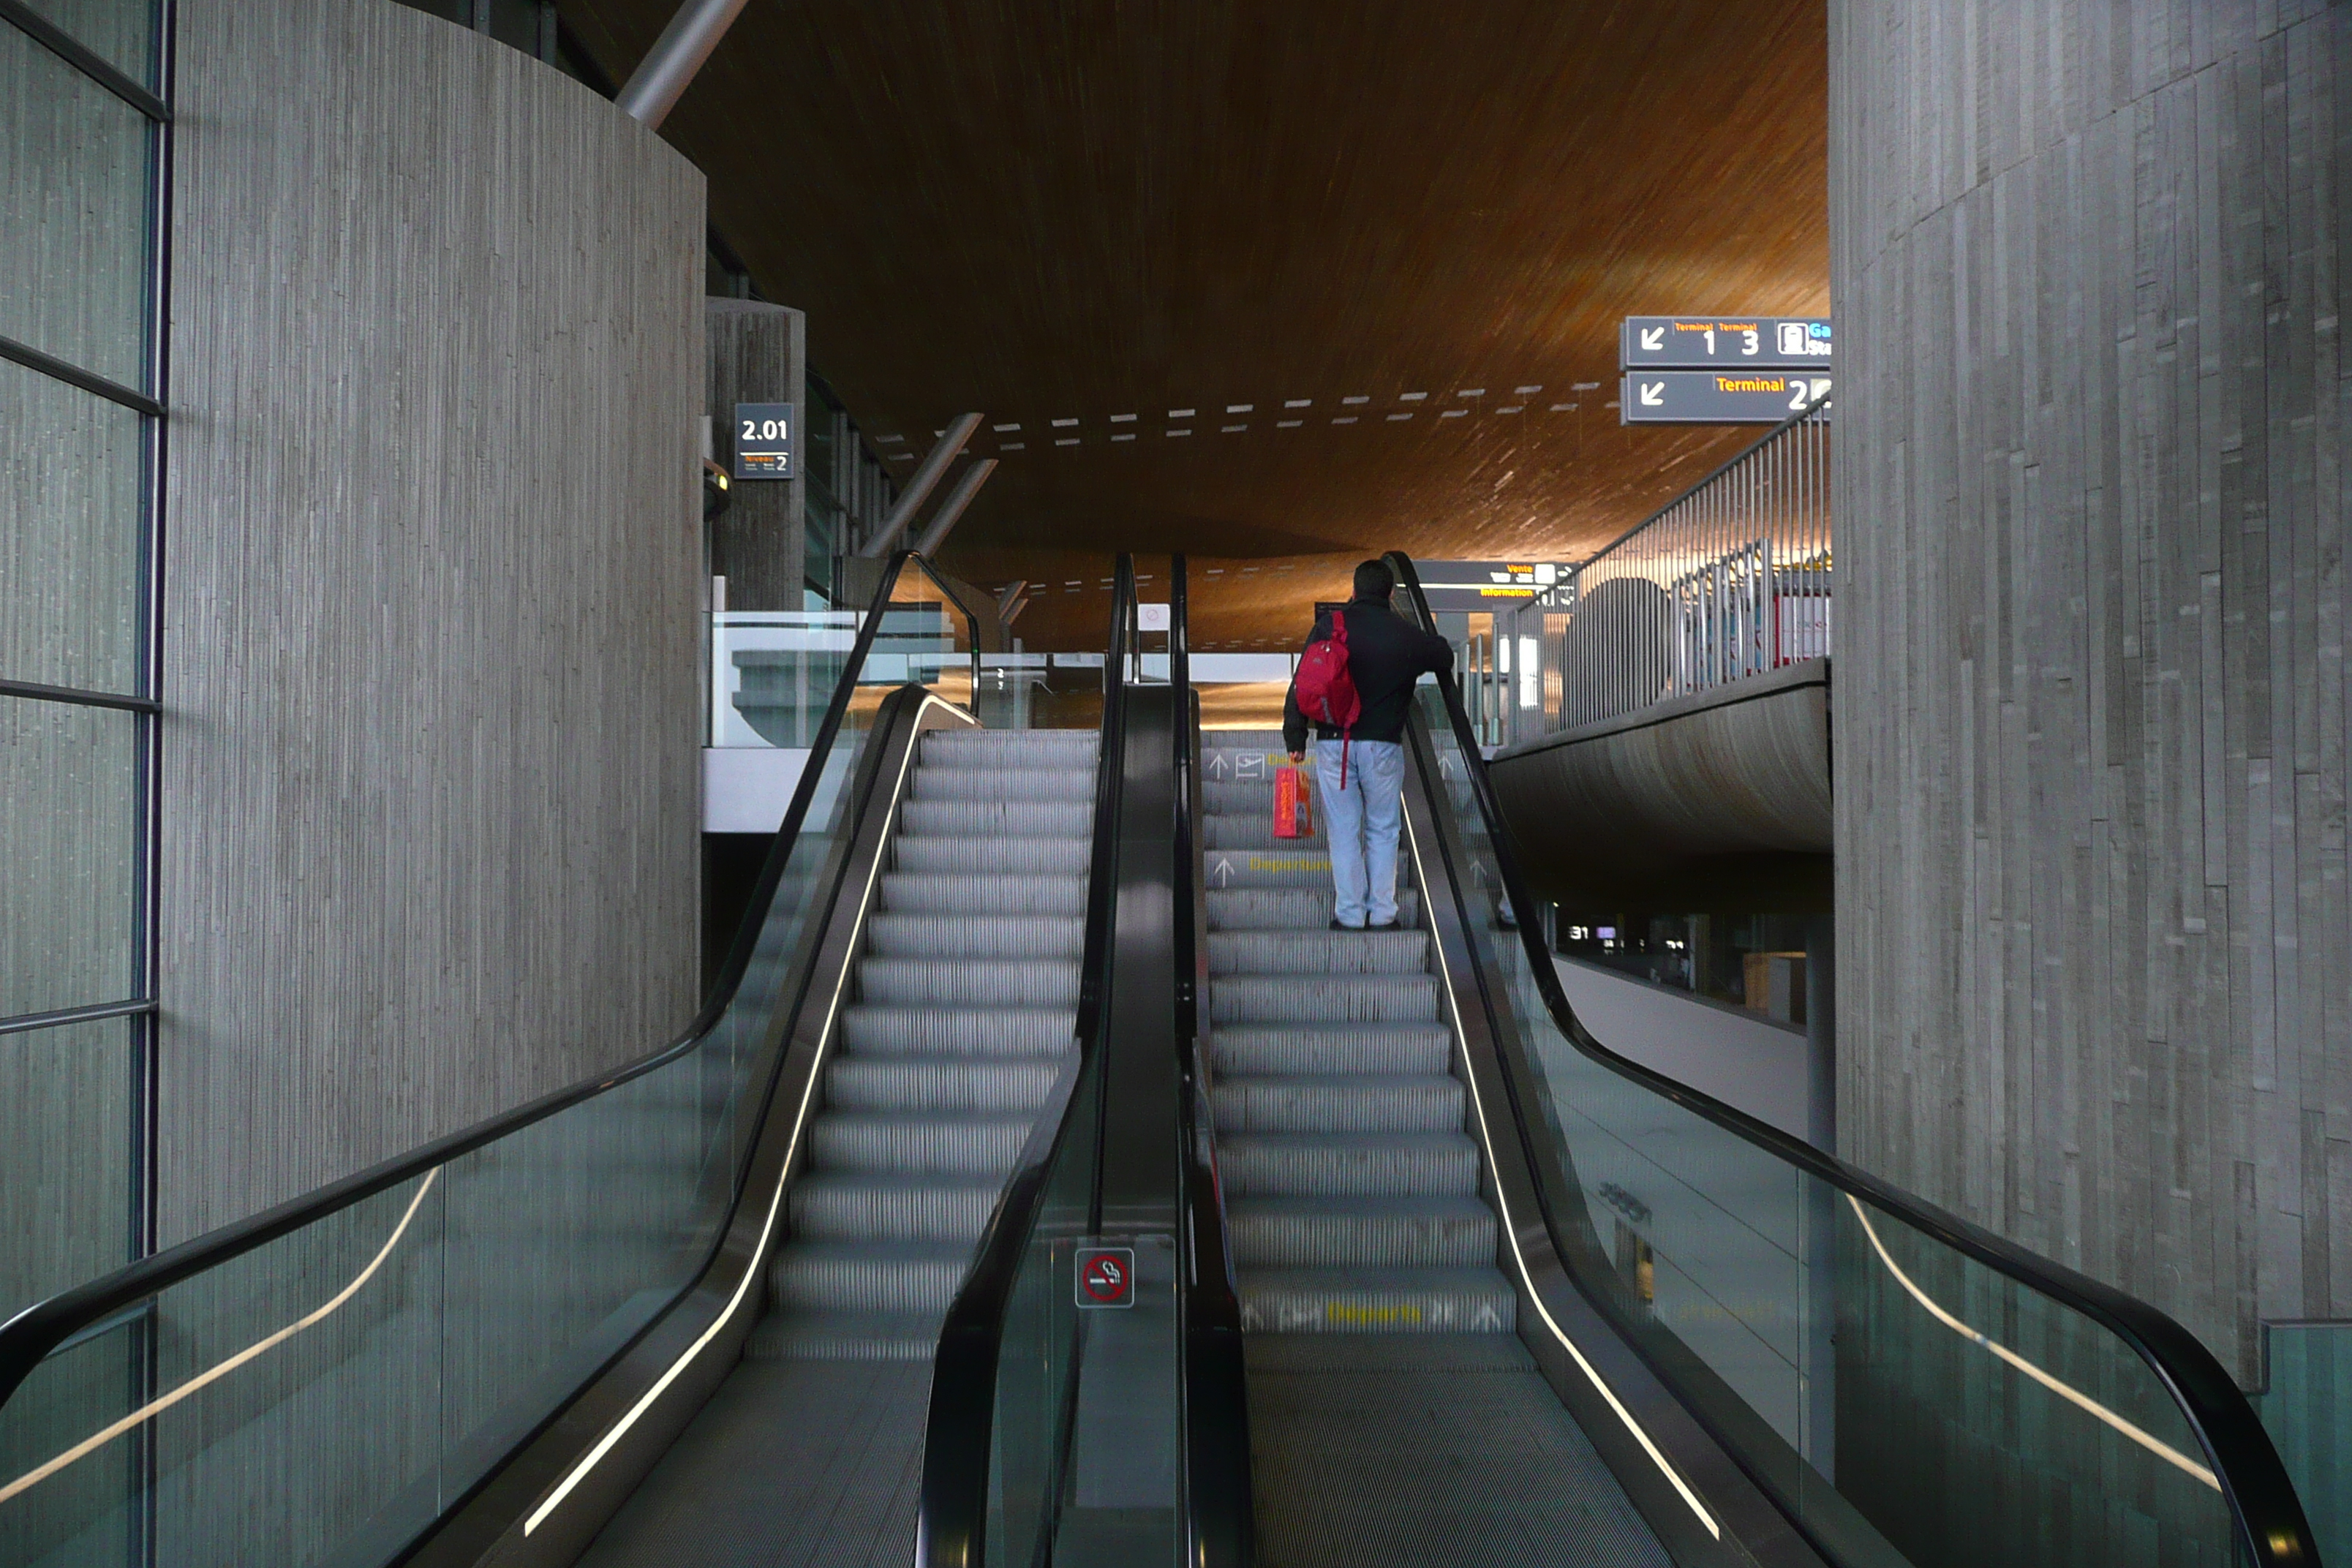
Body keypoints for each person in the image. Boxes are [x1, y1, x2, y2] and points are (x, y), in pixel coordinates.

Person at [1283, 559, 1455, 930]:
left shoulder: (1332, 626)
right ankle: (1382, 913)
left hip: (1334, 744)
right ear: (1391, 593)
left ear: (1354, 591)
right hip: (1382, 747)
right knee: (1382, 829)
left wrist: (1295, 734)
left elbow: (1304, 681)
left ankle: (1349, 914)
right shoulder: (1404, 633)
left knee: (1344, 830)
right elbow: (1443, 655)